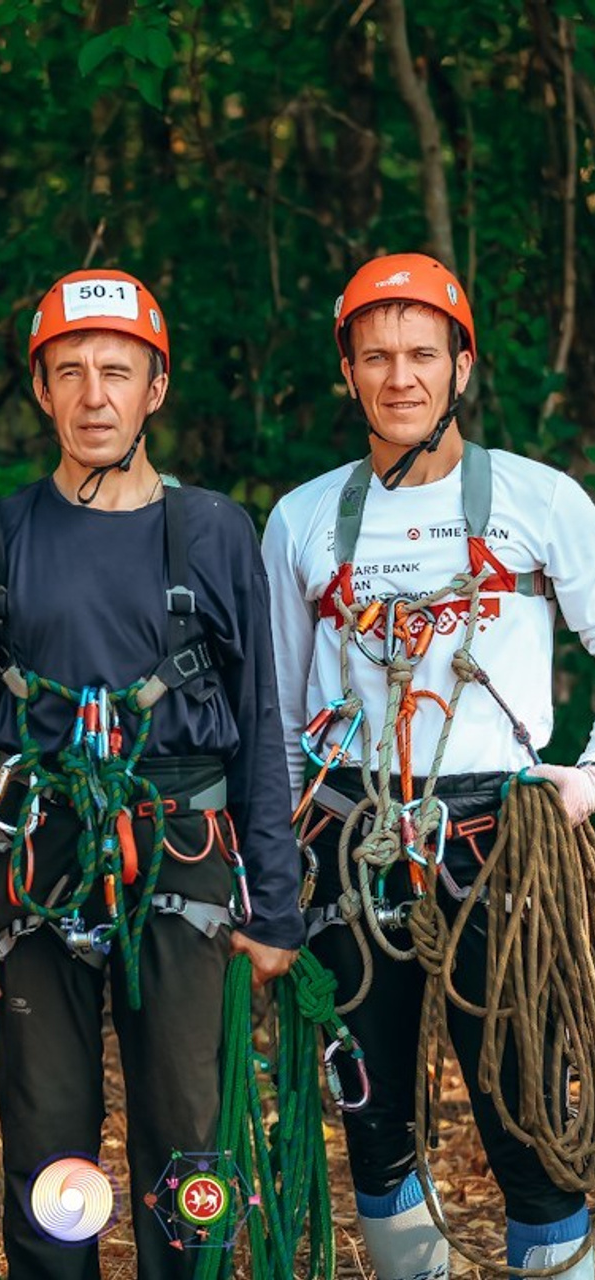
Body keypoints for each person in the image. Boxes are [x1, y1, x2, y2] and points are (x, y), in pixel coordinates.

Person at [0, 269, 304, 1279]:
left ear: (154, 388)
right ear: (41, 389)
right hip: (34, 855)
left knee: (188, 1131)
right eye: (70, 371)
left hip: (181, 848)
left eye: (116, 371)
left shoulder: (213, 531)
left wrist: (276, 900)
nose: (93, 395)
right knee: (47, 1132)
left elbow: (259, 717)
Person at [262, 253, 595, 1280]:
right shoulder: (302, 519)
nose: (397, 376)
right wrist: (273, 863)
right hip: (349, 838)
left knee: (527, 1110)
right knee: (370, 1114)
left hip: (501, 835)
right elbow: (278, 707)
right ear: (347, 372)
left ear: (460, 363)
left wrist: (586, 775)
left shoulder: (541, 502)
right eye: (374, 356)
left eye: (418, 353)